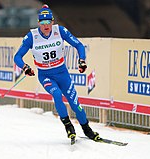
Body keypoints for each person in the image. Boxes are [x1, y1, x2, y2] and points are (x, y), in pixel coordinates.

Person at [14, 4, 102, 142]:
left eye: (48, 21)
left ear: (53, 21)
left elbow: (78, 45)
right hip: (46, 76)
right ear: (38, 23)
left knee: (75, 105)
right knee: (56, 94)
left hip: (63, 75)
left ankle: (87, 130)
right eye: (42, 22)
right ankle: (68, 127)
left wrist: (82, 61)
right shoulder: (32, 36)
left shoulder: (60, 31)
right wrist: (25, 67)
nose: (46, 25)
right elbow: (17, 57)